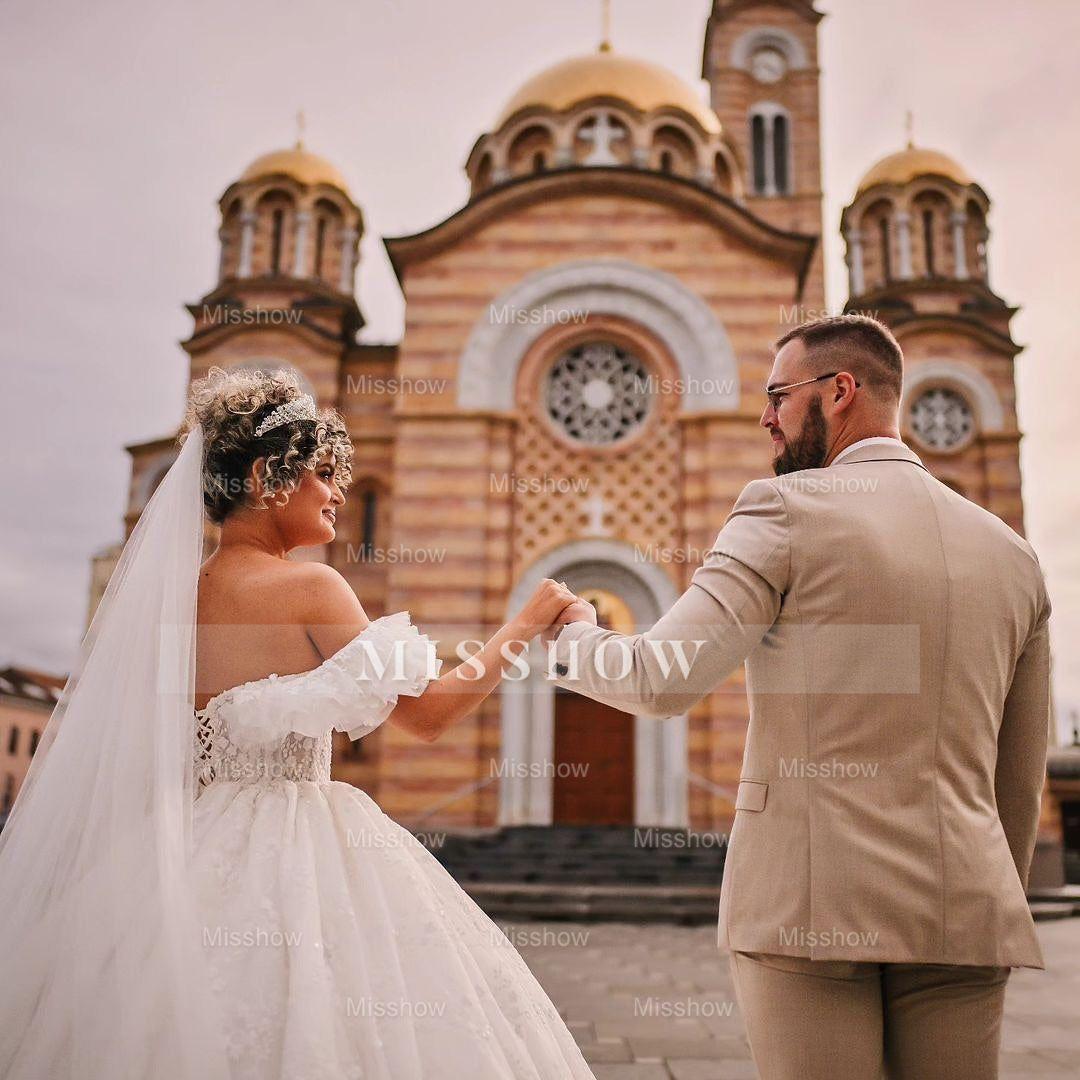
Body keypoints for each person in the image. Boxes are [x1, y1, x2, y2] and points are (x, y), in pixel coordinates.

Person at [0, 367, 595, 1080]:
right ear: (265, 477)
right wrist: (523, 625)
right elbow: (431, 714)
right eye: (321, 473)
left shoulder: (166, 599)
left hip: (174, 845)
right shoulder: (311, 586)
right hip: (299, 845)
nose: (340, 491)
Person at [547, 314, 1051, 1080]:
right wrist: (989, 893)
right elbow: (1021, 771)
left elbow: (660, 677)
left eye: (778, 396)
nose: (765, 418)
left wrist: (574, 634)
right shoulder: (1014, 557)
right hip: (966, 907)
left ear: (839, 391)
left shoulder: (784, 511)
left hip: (810, 912)